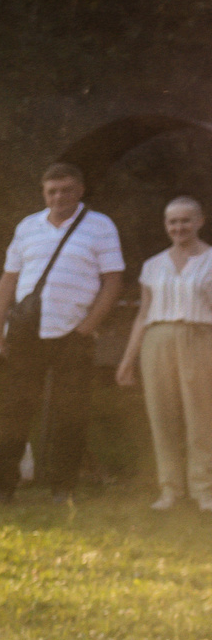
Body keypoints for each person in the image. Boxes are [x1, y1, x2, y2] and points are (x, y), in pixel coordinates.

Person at [0, 162, 124, 505]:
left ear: (80, 190)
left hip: (73, 330)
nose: (59, 197)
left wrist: (86, 328)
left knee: (71, 411)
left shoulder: (100, 226)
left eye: (66, 190)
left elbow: (113, 282)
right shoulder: (28, 226)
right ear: (43, 193)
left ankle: (63, 489)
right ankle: (1, 488)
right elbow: (8, 279)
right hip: (26, 330)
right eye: (52, 191)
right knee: (15, 409)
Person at [115, 196, 212, 512]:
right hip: (157, 340)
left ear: (199, 221)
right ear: (166, 225)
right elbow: (143, 314)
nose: (179, 227)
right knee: (162, 415)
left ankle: (204, 489)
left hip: (200, 337)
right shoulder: (153, 265)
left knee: (202, 416)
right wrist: (128, 360)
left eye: (185, 220)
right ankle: (170, 489)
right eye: (173, 221)